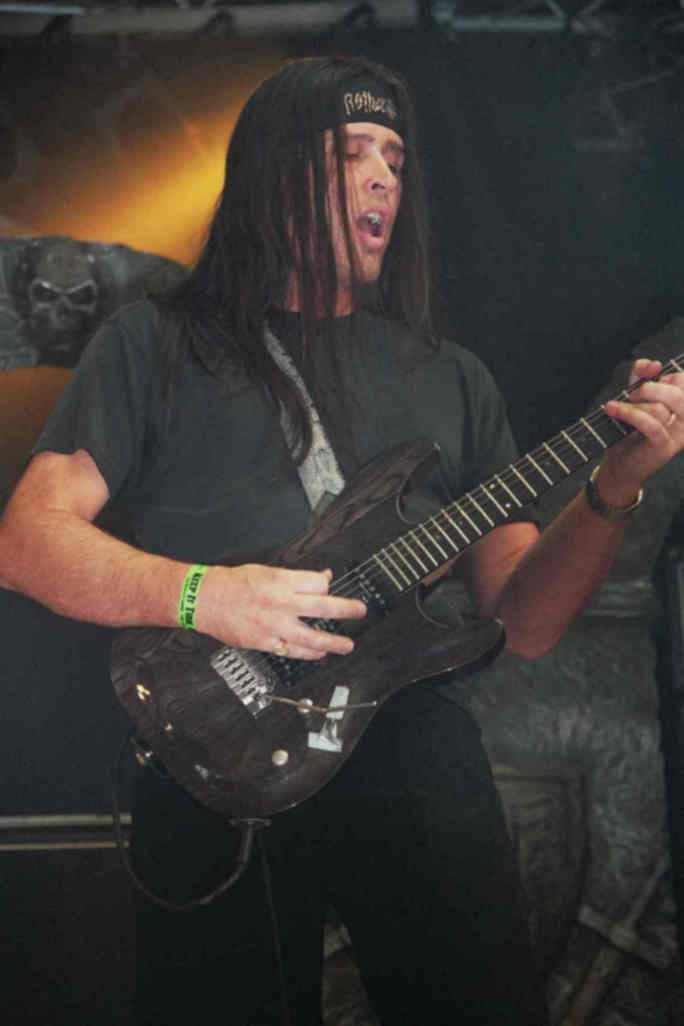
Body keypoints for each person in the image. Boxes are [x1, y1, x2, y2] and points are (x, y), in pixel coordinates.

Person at [1, 55, 683, 1026]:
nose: (383, 180)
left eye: (396, 161)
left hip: (408, 746)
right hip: (211, 739)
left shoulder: (453, 378)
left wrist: (613, 488)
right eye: (352, 153)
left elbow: (524, 622)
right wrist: (205, 596)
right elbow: (28, 540)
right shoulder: (154, 343)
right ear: (274, 171)